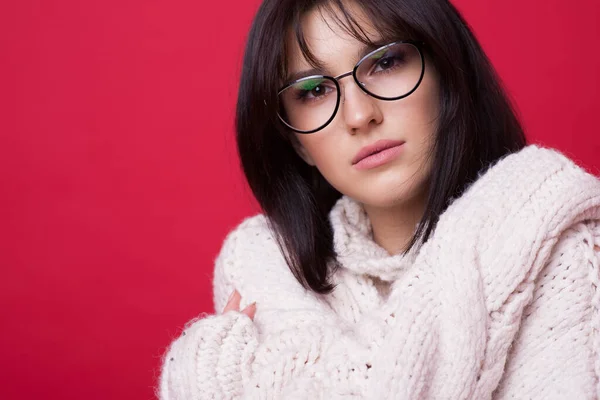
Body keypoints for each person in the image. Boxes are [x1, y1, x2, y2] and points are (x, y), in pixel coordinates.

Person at [157, 0, 600, 398]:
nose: (359, 114)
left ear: (446, 71)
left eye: (385, 62)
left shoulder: (569, 255)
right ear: (295, 142)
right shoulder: (267, 260)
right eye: (314, 91)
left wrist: (210, 386)